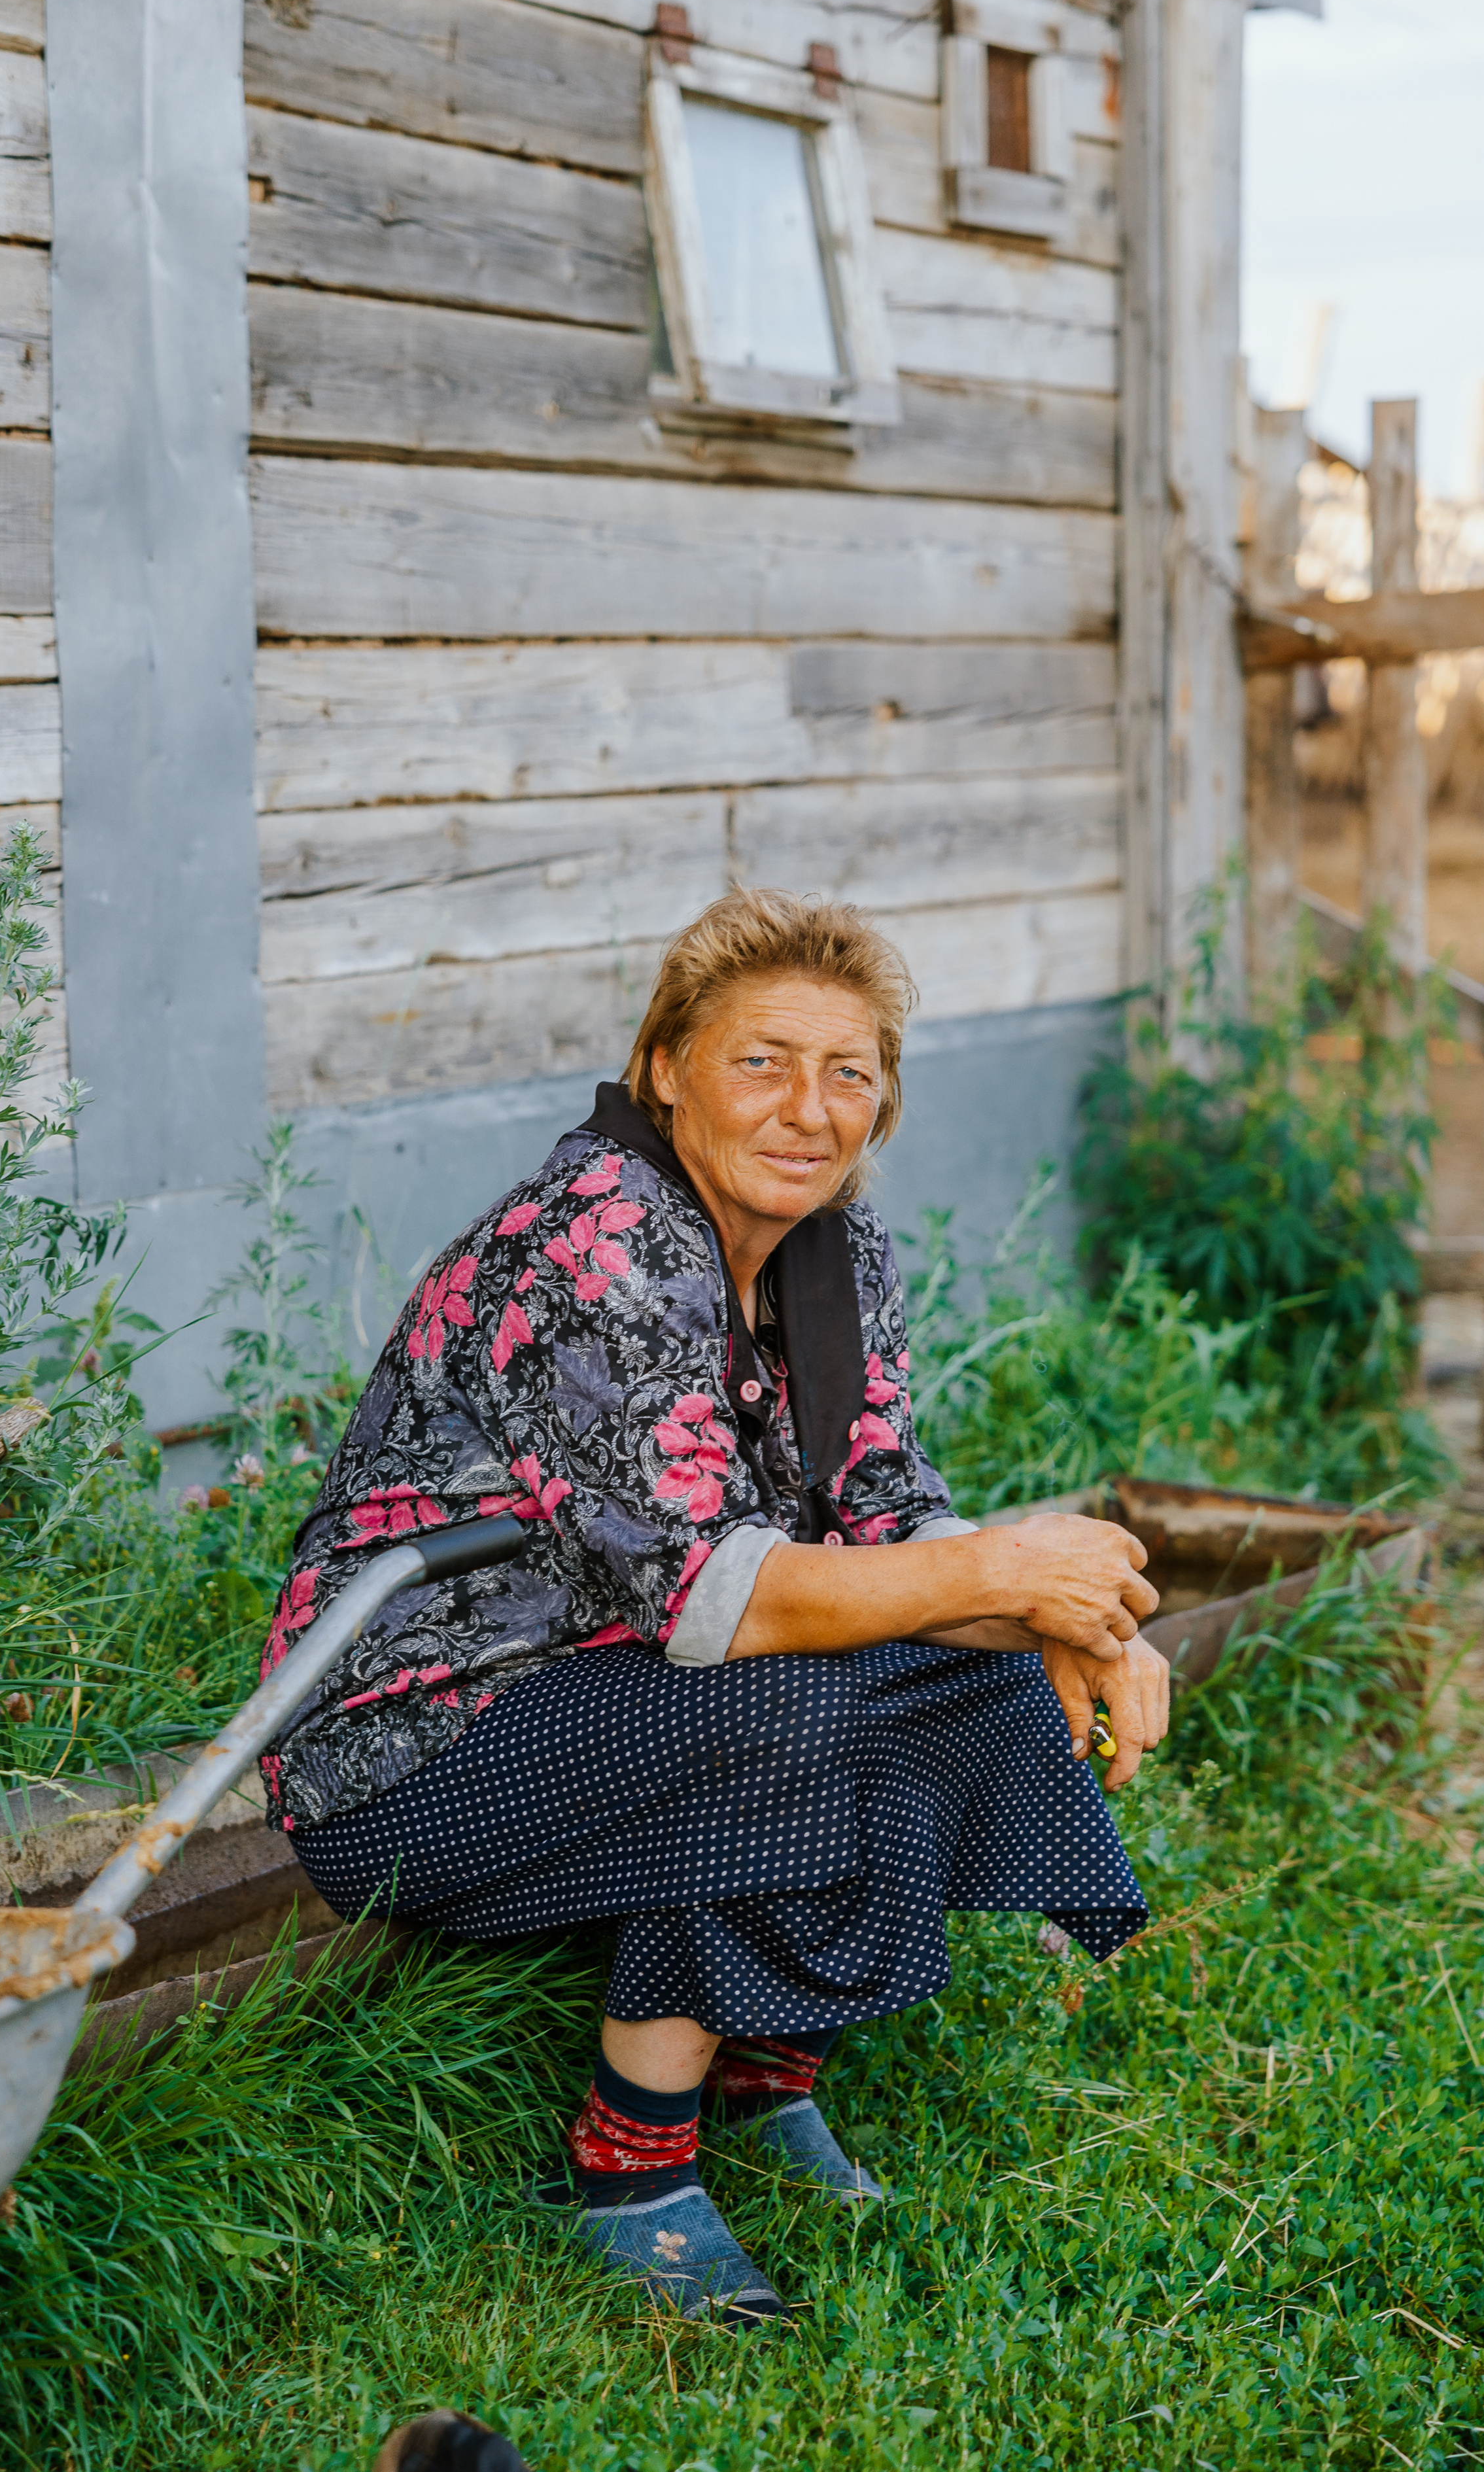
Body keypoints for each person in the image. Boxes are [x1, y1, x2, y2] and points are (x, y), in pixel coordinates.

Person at [260, 889, 1169, 2325]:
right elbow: (710, 1601)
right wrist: (998, 1570)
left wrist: (1069, 1617)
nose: (807, 1108)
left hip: (618, 1691)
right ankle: (627, 2161)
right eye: (762, 1061)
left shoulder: (832, 1246)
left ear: (881, 1101)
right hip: (413, 1747)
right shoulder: (596, 1238)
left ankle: (764, 2066)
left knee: (966, 1668)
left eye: (848, 1073)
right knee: (786, 1691)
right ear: (667, 1066)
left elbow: (880, 1500)